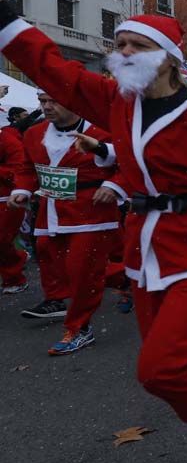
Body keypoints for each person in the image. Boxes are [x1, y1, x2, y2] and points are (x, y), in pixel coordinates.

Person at [0, 2, 187, 463]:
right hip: (147, 250)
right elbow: (59, 74)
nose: (123, 52)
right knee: (166, 370)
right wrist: (8, 24)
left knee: (162, 367)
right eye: (119, 44)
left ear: (166, 57)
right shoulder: (122, 101)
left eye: (136, 45)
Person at [9, 90, 121, 353]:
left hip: (91, 214)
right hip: (50, 213)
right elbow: (26, 167)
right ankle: (126, 280)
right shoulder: (34, 134)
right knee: (50, 260)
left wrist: (112, 186)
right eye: (42, 101)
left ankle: (79, 328)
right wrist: (22, 189)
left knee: (81, 271)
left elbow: (129, 164)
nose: (46, 107)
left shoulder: (102, 131)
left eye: (53, 101)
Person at [0, 116, 29, 294]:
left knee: (1, 241)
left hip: (7, 200)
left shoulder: (9, 140)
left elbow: (20, 171)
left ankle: (14, 277)